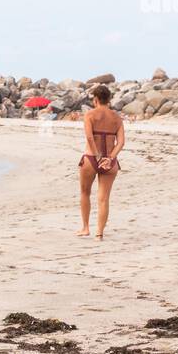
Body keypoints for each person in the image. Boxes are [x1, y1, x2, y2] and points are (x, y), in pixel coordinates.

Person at [77, 84, 125, 240]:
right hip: (110, 161)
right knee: (104, 198)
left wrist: (97, 155)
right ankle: (99, 233)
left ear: (95, 99)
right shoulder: (116, 118)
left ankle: (85, 228)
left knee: (85, 193)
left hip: (91, 158)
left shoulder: (90, 115)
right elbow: (121, 142)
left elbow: (90, 137)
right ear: (109, 99)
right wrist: (110, 158)